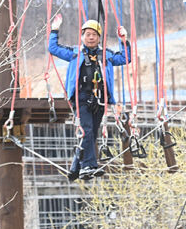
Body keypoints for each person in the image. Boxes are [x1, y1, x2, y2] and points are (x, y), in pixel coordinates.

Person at [49, 15, 130, 181]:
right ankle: (89, 166)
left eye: (94, 35)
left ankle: (76, 167)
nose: (91, 37)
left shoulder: (105, 55)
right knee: (86, 131)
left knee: (91, 134)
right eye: (87, 34)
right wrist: (54, 30)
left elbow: (125, 58)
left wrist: (124, 41)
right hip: (81, 98)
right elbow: (53, 48)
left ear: (99, 38)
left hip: (99, 100)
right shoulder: (74, 53)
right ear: (82, 37)